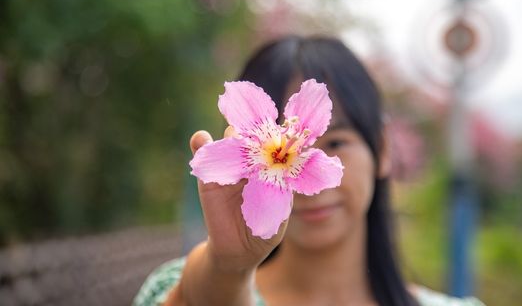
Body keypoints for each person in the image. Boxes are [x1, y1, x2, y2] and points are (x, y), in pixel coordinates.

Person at [133, 36, 485, 306]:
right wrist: (228, 269)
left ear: (382, 150)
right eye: (278, 146)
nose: (300, 186)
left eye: (335, 143)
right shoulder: (182, 289)